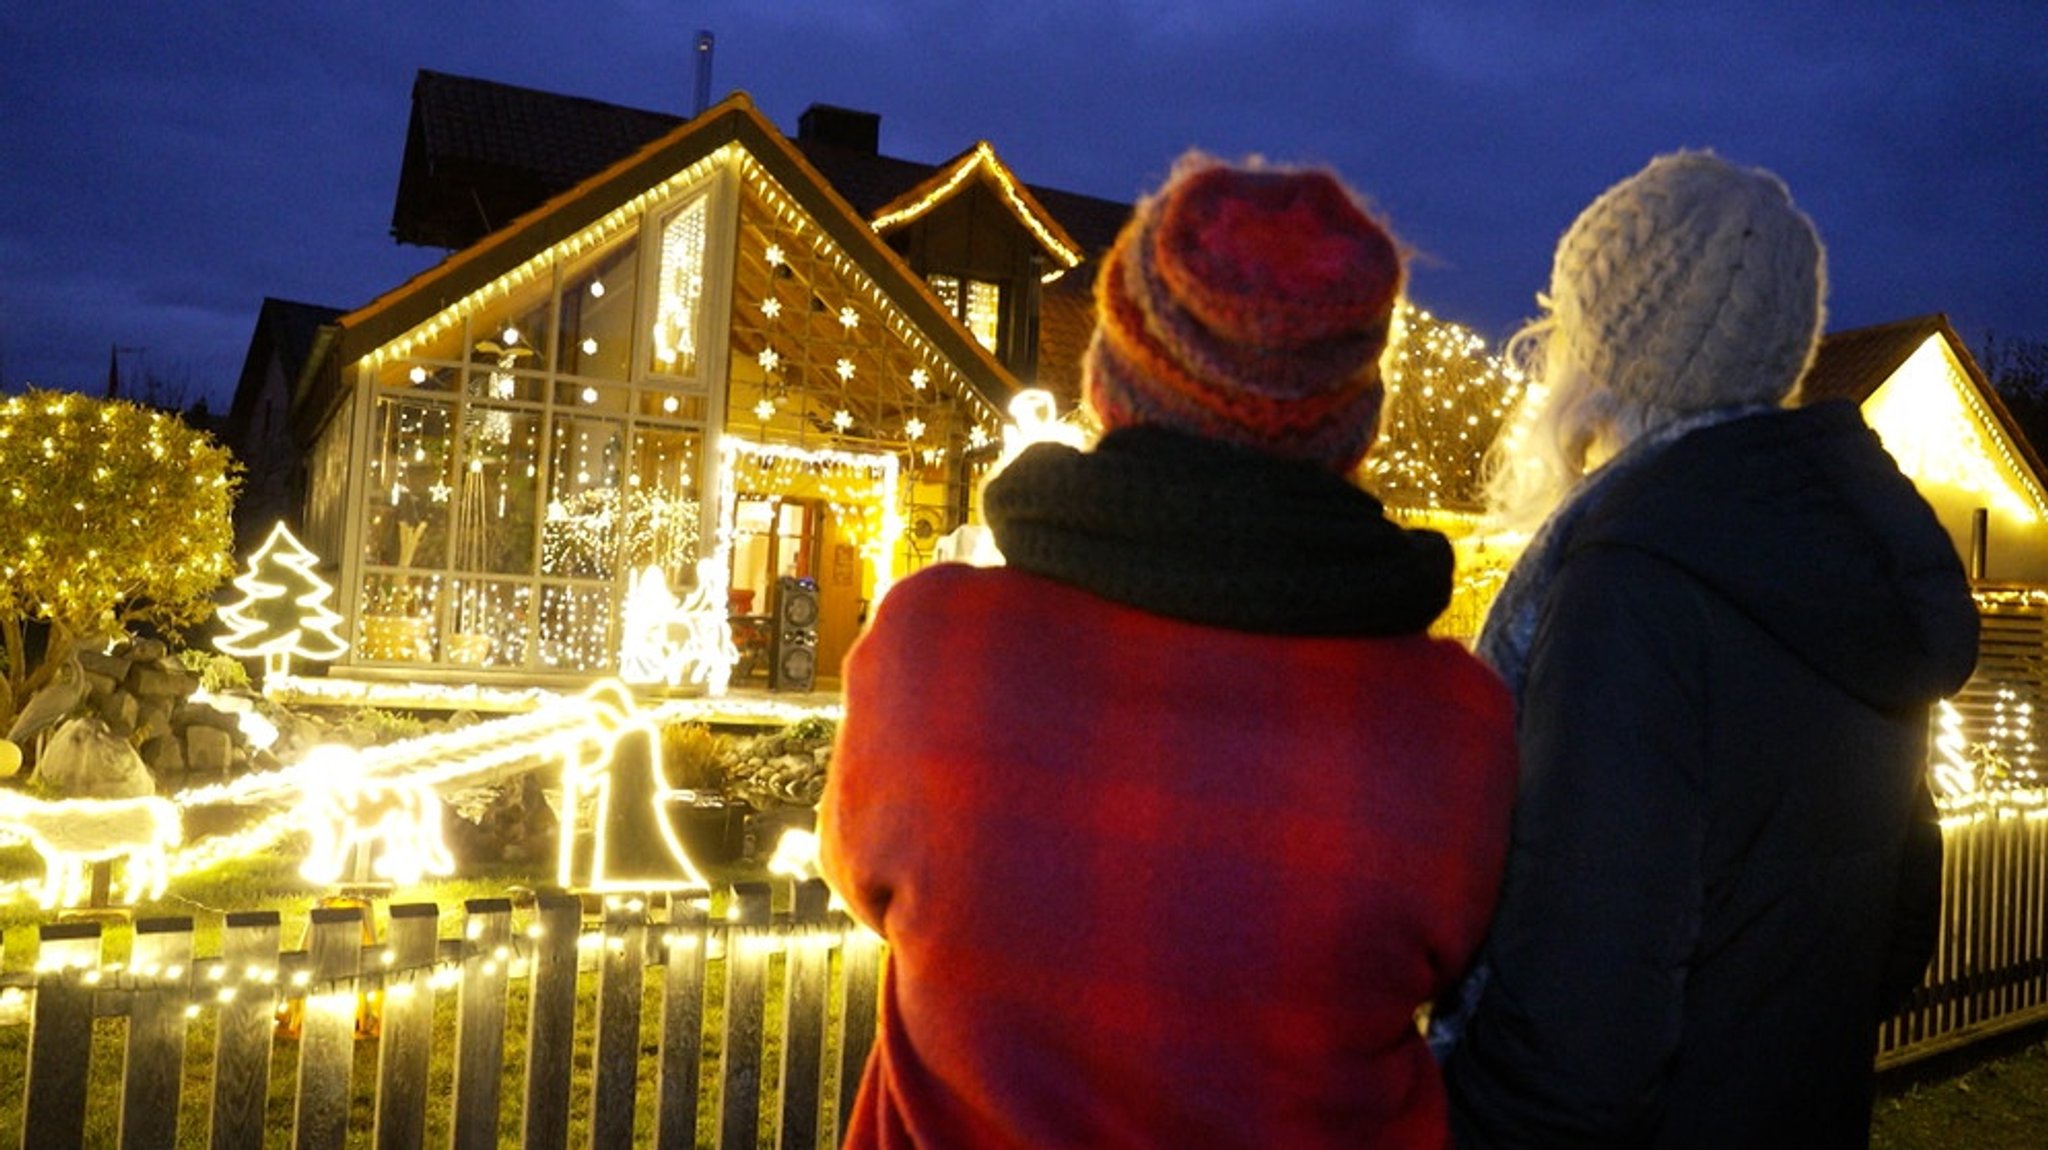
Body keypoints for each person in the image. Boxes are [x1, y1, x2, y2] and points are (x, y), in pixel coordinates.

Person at [819, 152, 1520, 1148]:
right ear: (1355, 425)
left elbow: (866, 888)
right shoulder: (1455, 723)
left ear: (1108, 384)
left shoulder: (934, 647)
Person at [1441, 150, 1979, 1147]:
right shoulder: (1844, 555)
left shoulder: (1632, 581)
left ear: (1605, 350)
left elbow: (1575, 1033)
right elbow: (1898, 931)